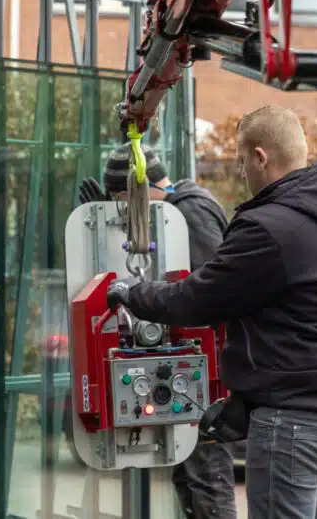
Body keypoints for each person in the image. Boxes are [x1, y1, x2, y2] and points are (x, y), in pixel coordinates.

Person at [107, 105, 317, 519]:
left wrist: (132, 293)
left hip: (293, 420)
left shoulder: (269, 227)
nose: (241, 171)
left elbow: (199, 300)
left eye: (241, 159)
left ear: (261, 157)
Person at [79, 142, 236, 519]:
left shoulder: (189, 217)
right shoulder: (183, 209)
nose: (127, 210)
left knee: (208, 477)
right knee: (189, 474)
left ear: (137, 188)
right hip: (195, 369)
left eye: (123, 199)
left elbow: (203, 295)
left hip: (204, 374)